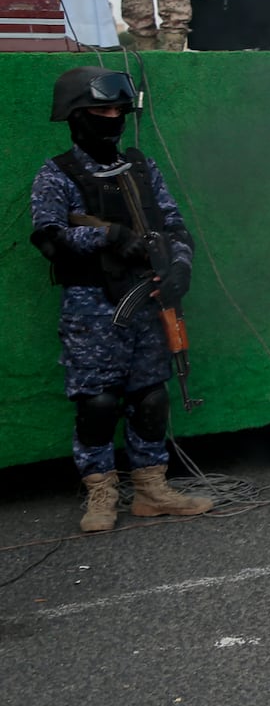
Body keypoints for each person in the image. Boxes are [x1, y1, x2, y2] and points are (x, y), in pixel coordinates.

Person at [30, 69, 212, 532]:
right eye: (100, 111)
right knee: (98, 402)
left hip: (148, 299)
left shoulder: (142, 167)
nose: (111, 118)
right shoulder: (58, 173)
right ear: (75, 117)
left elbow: (173, 225)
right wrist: (108, 237)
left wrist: (181, 267)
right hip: (93, 306)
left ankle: (151, 490)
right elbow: (49, 236)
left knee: (151, 396)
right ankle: (101, 492)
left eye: (117, 110)